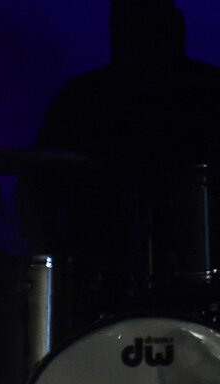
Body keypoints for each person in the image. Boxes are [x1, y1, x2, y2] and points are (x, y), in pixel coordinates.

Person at [16, 0, 220, 341]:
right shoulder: (80, 100)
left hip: (124, 299)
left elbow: (33, 202)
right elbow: (33, 202)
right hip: (101, 293)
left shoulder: (81, 99)